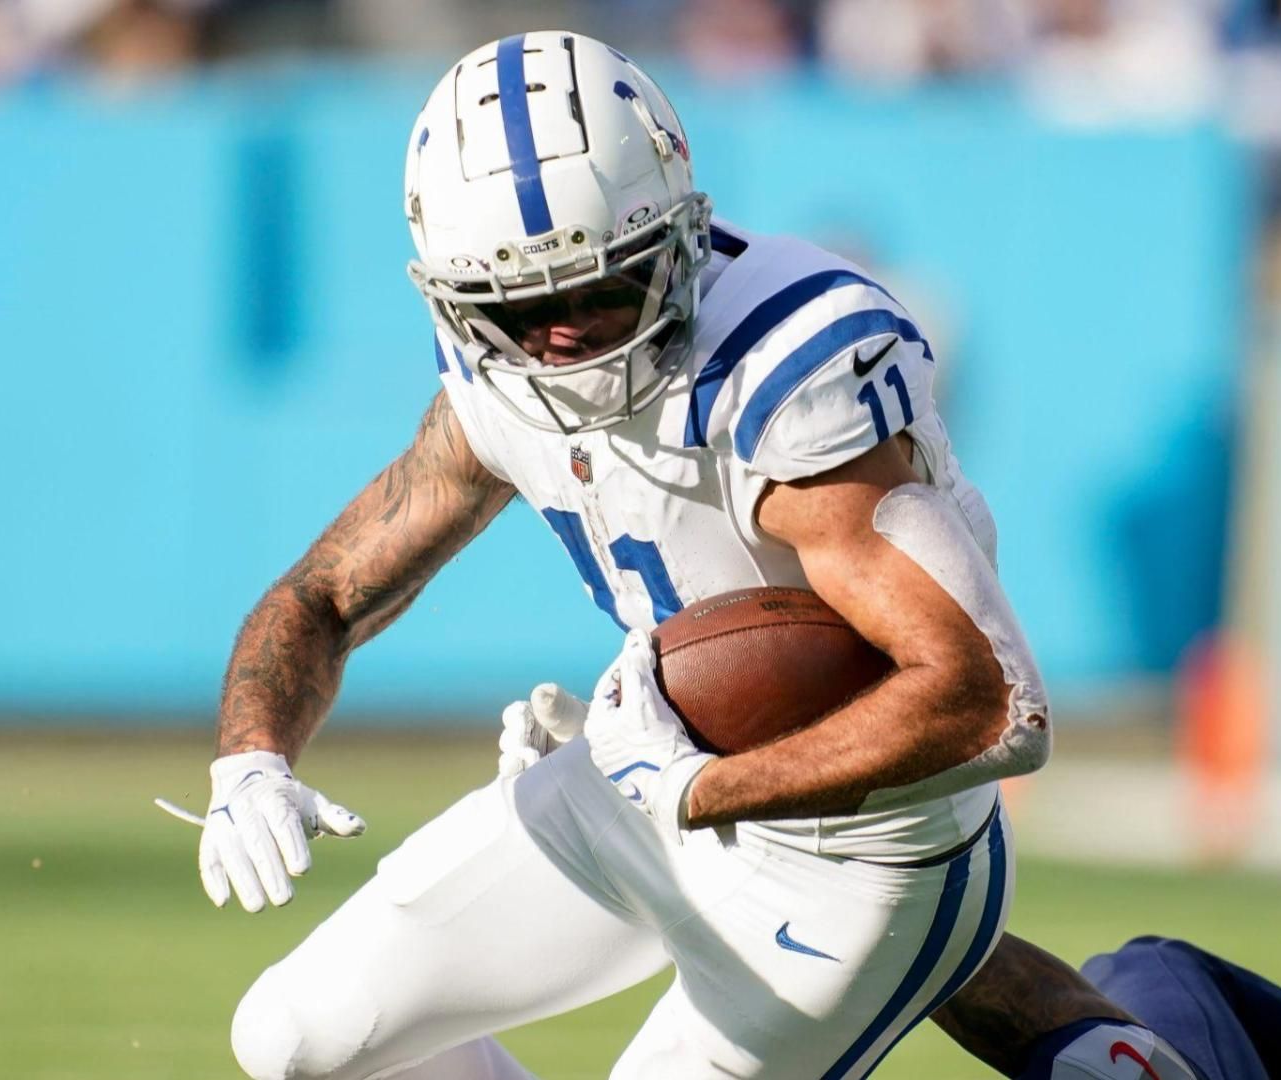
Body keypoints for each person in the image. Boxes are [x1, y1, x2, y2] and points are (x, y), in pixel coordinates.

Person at [186, 30, 1202, 1080]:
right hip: (657, 776)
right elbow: (324, 596)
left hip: (862, 860)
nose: (565, 337)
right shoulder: (490, 381)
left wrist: (692, 785)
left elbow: (993, 706)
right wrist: (251, 759)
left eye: (602, 290)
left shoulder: (784, 376)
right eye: (520, 312)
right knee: (294, 1037)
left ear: (679, 236)